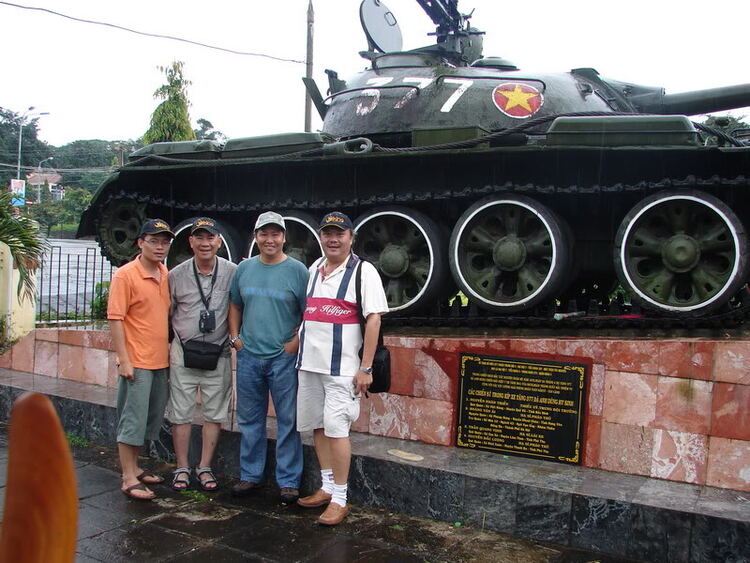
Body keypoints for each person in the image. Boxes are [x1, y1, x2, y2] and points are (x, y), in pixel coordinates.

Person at [295, 211, 388, 526]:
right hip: (309, 366)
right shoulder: (314, 269)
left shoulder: (364, 272)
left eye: (340, 233)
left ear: (351, 238)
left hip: (342, 369)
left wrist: (366, 367)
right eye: (327, 233)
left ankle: (340, 499)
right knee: (318, 427)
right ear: (321, 237)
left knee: (337, 430)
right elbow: (309, 315)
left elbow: (374, 319)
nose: (333, 239)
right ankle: (326, 487)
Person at [228, 211, 309, 504]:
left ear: (284, 237)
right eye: (264, 234)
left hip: (283, 357)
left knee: (289, 420)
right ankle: (250, 475)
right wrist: (236, 339)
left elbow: (308, 312)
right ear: (256, 236)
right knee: (250, 419)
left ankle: (288, 481)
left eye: (275, 234)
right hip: (249, 355)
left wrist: (296, 341)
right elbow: (235, 304)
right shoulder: (244, 269)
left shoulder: (298, 271)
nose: (270, 239)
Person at [167, 218, 237, 491]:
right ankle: (182, 467)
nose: (205, 243)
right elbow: (168, 312)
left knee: (214, 413)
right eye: (200, 238)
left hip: (217, 352)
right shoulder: (176, 274)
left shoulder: (233, 272)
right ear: (191, 241)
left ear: (219, 241)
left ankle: (205, 466)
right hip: (184, 350)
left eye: (211, 238)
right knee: (180, 412)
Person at [107, 219, 174, 500]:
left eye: (165, 241)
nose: (160, 247)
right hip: (137, 360)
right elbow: (115, 318)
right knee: (132, 419)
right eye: (154, 241)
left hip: (160, 360)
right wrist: (124, 359)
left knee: (150, 418)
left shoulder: (164, 273)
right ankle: (127, 476)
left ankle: (136, 466)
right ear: (140, 243)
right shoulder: (126, 275)